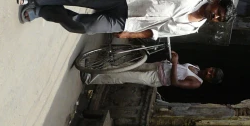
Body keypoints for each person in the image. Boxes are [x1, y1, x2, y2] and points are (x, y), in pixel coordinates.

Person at [17, 0, 233, 38]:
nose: (215, 17)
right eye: (218, 12)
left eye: (218, 19)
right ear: (215, 2)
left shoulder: (193, 28)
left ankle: (42, 11)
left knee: (84, 27)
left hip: (128, 22)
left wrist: (131, 35)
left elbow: (158, 33)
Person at [83, 51, 223, 88]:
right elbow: (180, 69)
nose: (209, 72)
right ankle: (93, 68)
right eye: (212, 70)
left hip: (156, 78)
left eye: (211, 75)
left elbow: (175, 83)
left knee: (125, 76)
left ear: (209, 80)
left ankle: (91, 78)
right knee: (125, 66)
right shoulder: (196, 68)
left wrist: (174, 64)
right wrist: (175, 59)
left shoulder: (197, 82)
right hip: (158, 66)